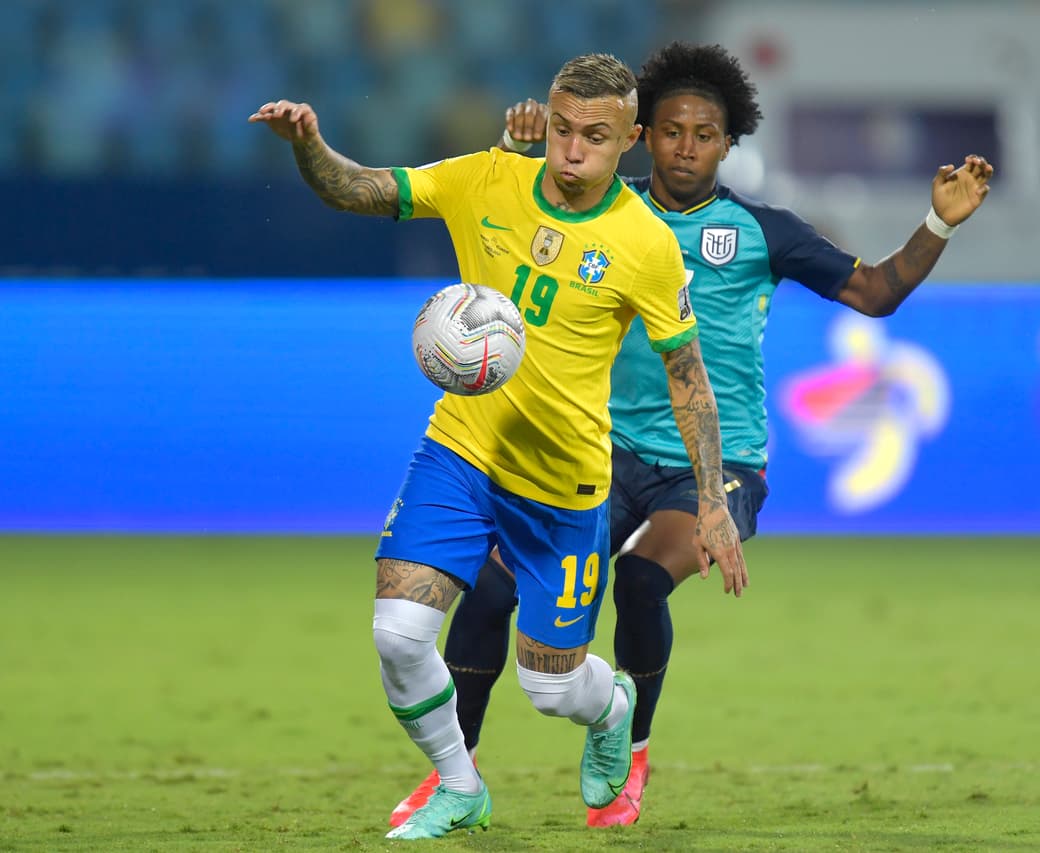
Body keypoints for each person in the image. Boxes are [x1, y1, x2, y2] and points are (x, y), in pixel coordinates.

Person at [388, 42, 994, 830]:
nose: (685, 146)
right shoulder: (607, 212)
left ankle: (628, 751)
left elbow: (874, 291)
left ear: (728, 142)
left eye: (703, 133)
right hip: (605, 456)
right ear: (641, 136)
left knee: (641, 579)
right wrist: (517, 148)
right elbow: (520, 206)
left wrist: (935, 223)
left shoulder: (761, 231)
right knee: (492, 588)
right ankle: (454, 776)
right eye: (670, 130)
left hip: (719, 462)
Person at [249, 52, 748, 841]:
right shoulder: (487, 179)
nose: (571, 149)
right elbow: (362, 187)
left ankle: (612, 707)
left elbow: (690, 378)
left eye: (594, 135)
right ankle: (460, 783)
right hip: (460, 452)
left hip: (563, 486)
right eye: (560, 129)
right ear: (544, 122)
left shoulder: (646, 244)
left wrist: (714, 502)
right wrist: (308, 143)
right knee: (398, 635)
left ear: (630, 140)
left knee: (552, 688)